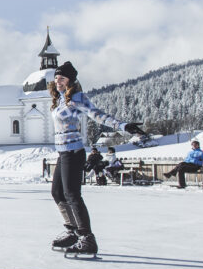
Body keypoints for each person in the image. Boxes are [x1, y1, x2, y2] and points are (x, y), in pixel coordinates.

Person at [48, 61, 143, 258]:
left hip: (74, 152)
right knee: (57, 192)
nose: (58, 82)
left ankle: (87, 238)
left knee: (72, 194)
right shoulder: (60, 99)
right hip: (62, 152)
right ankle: (73, 232)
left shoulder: (77, 98)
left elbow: (97, 115)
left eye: (62, 78)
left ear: (71, 80)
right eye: (56, 78)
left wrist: (123, 126)